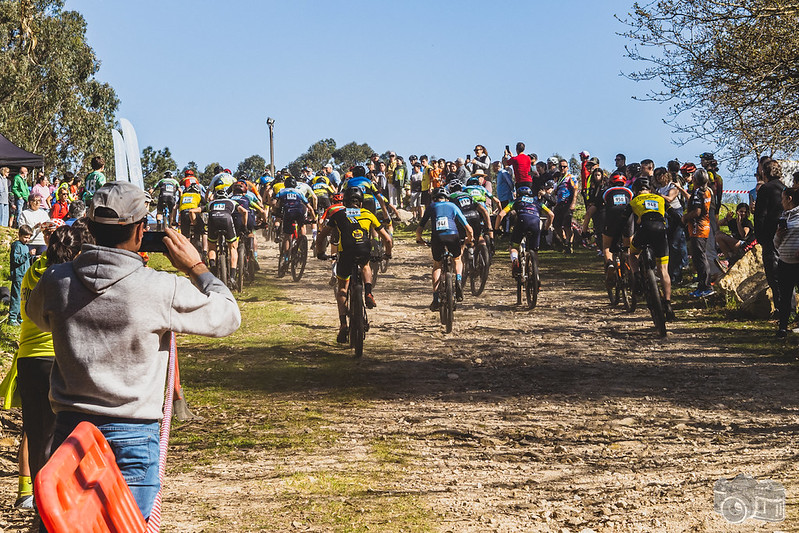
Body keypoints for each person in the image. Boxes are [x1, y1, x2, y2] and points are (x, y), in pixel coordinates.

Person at [25, 181, 241, 520]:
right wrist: (196, 267)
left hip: (71, 433)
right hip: (134, 437)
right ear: (141, 231)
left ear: (90, 228)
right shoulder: (161, 288)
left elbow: (37, 316)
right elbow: (228, 316)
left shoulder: (56, 281)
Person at [315, 187, 392, 342]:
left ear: (344, 202)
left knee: (342, 289)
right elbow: (387, 239)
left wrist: (320, 252)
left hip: (345, 253)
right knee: (365, 266)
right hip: (363, 250)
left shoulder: (338, 214)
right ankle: (368, 293)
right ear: (361, 203)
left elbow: (322, 236)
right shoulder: (368, 214)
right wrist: (387, 254)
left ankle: (343, 324)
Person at [415, 188, 474, 309]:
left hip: (437, 237)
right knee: (457, 259)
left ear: (434, 199)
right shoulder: (453, 206)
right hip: (453, 236)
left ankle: (435, 297)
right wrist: (470, 238)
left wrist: (419, 239)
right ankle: (458, 280)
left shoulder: (431, 207)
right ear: (446, 198)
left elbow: (420, 228)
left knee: (437, 265)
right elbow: (468, 228)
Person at [627, 178, 675, 318]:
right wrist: (671, 232)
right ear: (650, 189)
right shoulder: (660, 199)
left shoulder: (634, 201)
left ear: (635, 190)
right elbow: (675, 216)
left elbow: (622, 221)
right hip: (661, 231)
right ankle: (668, 303)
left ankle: (637, 277)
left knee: (632, 254)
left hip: (644, 230)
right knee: (663, 270)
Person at [494, 186, 553, 277]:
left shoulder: (515, 201)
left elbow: (501, 214)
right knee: (534, 250)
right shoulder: (537, 202)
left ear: (518, 195)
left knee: (513, 247)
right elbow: (551, 214)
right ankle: (535, 274)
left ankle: (514, 260)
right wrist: (546, 229)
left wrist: (496, 229)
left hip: (521, 222)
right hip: (535, 223)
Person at [754, 159, 785, 311]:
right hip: (785, 234)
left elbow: (760, 215)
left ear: (764, 173)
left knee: (773, 274)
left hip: (769, 235)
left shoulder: (765, 189)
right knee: (785, 274)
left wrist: (760, 237)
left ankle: (781, 308)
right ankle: (789, 308)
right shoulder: (784, 188)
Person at [682, 169, 714, 297]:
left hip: (698, 228)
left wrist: (685, 217)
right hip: (704, 226)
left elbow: (697, 212)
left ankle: (706, 287)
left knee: (700, 258)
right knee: (699, 257)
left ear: (695, 180)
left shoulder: (697, 192)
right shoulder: (707, 191)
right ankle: (702, 286)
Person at [206, 186, 248, 279]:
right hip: (226, 220)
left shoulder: (211, 203)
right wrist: (244, 226)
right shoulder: (231, 202)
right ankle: (232, 276)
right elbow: (244, 211)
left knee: (212, 246)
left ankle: (213, 267)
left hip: (213, 221)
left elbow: (195, 211)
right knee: (232, 248)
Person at [773, 187, 799, 338]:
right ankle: (783, 327)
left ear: (789, 199)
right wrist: (778, 235)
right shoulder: (783, 217)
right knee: (785, 296)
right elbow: (776, 244)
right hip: (784, 261)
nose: (781, 202)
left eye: (783, 198)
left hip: (798, 263)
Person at [9, 225, 34, 326]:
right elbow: (16, 260)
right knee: (16, 296)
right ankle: (12, 318)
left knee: (23, 297)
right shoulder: (16, 245)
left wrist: (33, 257)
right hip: (18, 275)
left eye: (29, 237)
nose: (27, 239)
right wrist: (28, 255)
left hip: (24, 275)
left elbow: (26, 260)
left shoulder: (26, 247)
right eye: (25, 237)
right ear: (19, 235)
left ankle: (20, 316)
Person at [553, 159, 579, 253]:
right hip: (559, 204)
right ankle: (564, 240)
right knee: (556, 225)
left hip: (568, 203)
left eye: (564, 166)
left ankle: (569, 243)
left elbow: (575, 190)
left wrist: (573, 203)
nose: (562, 168)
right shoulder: (559, 179)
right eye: (560, 167)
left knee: (567, 225)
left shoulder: (570, 177)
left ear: (567, 168)